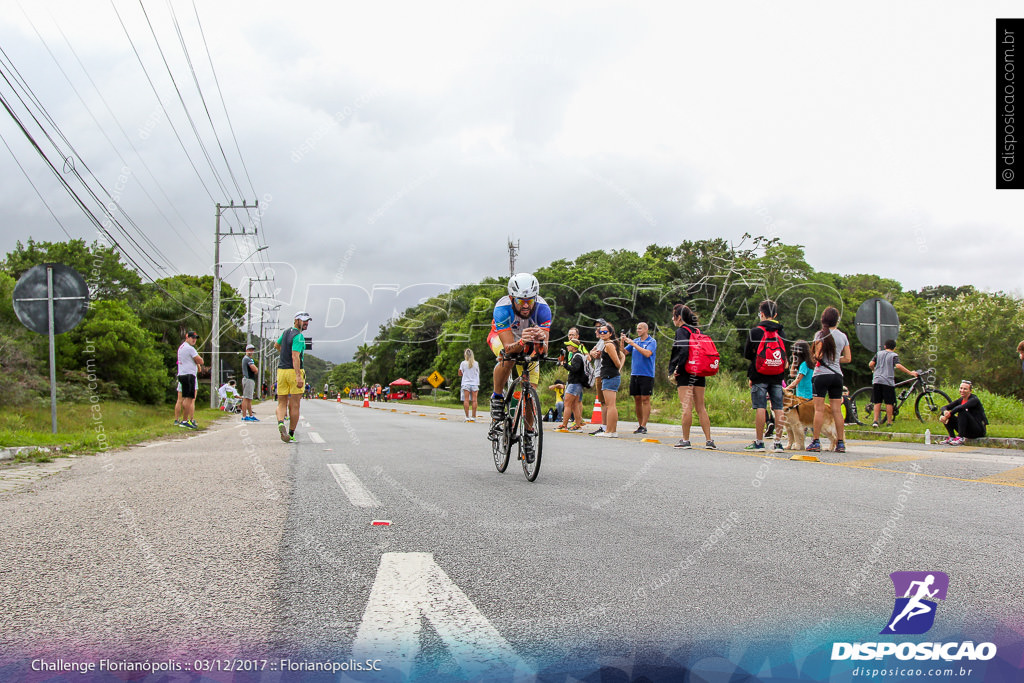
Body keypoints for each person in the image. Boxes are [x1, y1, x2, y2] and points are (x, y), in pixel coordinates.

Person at [487, 273, 552, 463]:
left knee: (531, 391)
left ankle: (529, 435)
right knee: (508, 359)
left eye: (530, 301)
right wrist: (522, 340)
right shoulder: (502, 308)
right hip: (503, 338)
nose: (526, 305)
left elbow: (544, 350)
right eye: (521, 301)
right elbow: (508, 348)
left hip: (527, 340)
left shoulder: (543, 309)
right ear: (511, 298)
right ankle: (497, 397)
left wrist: (541, 340)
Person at [667, 304, 715, 450]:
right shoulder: (697, 330)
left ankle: (686, 440)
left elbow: (683, 351)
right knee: (701, 407)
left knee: (686, 407)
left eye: (674, 315)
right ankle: (709, 440)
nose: (672, 318)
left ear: (679, 317)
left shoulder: (682, 331)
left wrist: (678, 370)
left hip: (686, 372)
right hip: (699, 371)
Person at [743, 300, 788, 452]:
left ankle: (759, 442)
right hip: (777, 375)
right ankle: (778, 443)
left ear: (761, 314)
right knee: (778, 407)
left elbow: (748, 354)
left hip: (759, 374)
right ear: (775, 314)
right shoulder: (781, 332)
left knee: (760, 407)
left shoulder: (755, 331)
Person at [807, 306, 851, 453]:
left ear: (823, 319)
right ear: (836, 320)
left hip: (821, 374)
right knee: (837, 411)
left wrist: (815, 355)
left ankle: (816, 441)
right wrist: (836, 359)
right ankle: (840, 443)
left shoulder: (820, 335)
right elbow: (848, 358)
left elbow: (818, 356)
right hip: (837, 375)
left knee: (818, 410)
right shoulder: (843, 336)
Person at [275, 312, 311, 443]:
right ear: (296, 321)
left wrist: (283, 353)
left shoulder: (285, 333)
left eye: (308, 321)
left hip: (281, 371)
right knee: (295, 405)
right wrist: (298, 376)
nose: (306, 323)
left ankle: (280, 422)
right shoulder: (299, 337)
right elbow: (295, 356)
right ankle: (290, 434)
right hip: (293, 371)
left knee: (281, 402)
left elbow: (276, 345)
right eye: (304, 321)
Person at [868, 339, 918, 427]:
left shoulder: (878, 354)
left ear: (885, 346)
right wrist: (910, 373)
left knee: (877, 401)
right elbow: (898, 365)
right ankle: (889, 422)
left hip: (877, 380)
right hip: (888, 381)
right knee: (889, 402)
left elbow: (871, 364)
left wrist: (874, 371)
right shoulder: (894, 355)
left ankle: (875, 421)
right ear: (894, 348)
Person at [623, 322, 657, 435]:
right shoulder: (635, 341)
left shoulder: (651, 341)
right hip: (635, 373)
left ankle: (644, 425)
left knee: (645, 399)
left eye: (640, 328)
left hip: (646, 374)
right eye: (637, 328)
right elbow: (624, 352)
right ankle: (640, 424)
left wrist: (633, 344)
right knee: (637, 399)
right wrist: (621, 342)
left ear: (646, 330)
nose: (638, 330)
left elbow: (647, 354)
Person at [591, 321, 623, 438]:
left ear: (610, 333)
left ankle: (610, 430)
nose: (602, 333)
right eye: (601, 331)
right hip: (608, 376)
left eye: (605, 332)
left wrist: (617, 370)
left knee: (610, 405)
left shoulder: (609, 345)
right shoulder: (607, 344)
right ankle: (611, 430)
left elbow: (618, 362)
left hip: (610, 376)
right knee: (610, 405)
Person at [938, 380, 988, 445]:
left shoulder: (974, 399)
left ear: (970, 391)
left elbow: (960, 407)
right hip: (966, 429)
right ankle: (952, 437)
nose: (962, 390)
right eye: (961, 388)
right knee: (944, 413)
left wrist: (948, 415)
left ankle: (960, 438)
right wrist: (945, 412)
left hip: (977, 430)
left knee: (962, 411)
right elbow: (944, 407)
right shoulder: (961, 399)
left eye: (965, 389)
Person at [559, 327, 587, 431]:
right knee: (575, 404)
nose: (567, 346)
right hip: (576, 383)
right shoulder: (576, 355)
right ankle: (577, 424)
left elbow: (575, 369)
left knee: (567, 403)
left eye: (569, 345)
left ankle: (564, 425)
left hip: (574, 383)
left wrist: (565, 364)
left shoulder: (577, 356)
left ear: (574, 347)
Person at [176, 331, 203, 430]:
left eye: (195, 338)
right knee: (189, 398)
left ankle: (185, 419)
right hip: (188, 375)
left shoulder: (181, 347)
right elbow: (200, 360)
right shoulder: (189, 348)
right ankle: (185, 420)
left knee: (186, 398)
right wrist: (197, 360)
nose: (194, 340)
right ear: (187, 337)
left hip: (183, 374)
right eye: (192, 338)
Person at [590, 318, 608, 435]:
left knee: (604, 401)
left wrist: (592, 353)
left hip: (601, 373)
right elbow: (592, 352)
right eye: (596, 327)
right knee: (603, 401)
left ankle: (605, 426)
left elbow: (596, 355)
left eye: (599, 327)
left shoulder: (603, 341)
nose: (597, 330)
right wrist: (592, 352)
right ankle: (605, 426)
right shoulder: (600, 341)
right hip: (599, 372)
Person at [459, 348, 480, 422]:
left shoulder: (463, 363)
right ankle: (474, 417)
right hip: (474, 383)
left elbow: (460, 373)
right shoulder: (476, 363)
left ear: (465, 355)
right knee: (474, 400)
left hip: (466, 383)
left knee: (466, 400)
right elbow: (477, 373)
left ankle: (467, 416)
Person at [241, 344, 260, 421]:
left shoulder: (248, 359)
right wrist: (256, 369)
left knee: (249, 398)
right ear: (246, 350)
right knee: (246, 398)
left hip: (249, 379)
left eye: (252, 350)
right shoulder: (247, 359)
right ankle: (244, 416)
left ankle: (251, 415)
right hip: (248, 379)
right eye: (250, 350)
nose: (251, 351)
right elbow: (254, 369)